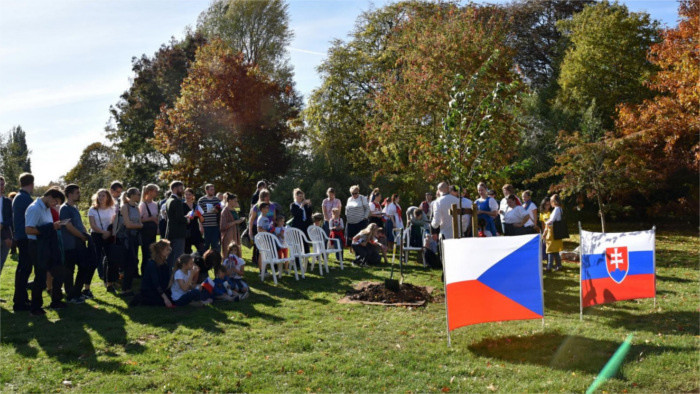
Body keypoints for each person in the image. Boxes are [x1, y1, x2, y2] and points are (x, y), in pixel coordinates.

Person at [25, 188, 67, 314]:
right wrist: (51, 227)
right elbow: (28, 230)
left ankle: (56, 301)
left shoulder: (47, 208)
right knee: (40, 276)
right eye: (55, 201)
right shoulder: (35, 208)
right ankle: (36, 307)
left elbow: (46, 226)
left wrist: (54, 226)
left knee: (58, 271)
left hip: (49, 244)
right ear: (49, 196)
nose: (55, 205)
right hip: (37, 245)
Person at [60, 184, 93, 304]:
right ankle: (70, 295)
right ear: (69, 194)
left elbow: (79, 224)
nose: (79, 194)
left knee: (84, 267)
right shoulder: (65, 208)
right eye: (77, 192)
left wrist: (84, 233)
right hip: (70, 244)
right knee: (69, 270)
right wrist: (81, 236)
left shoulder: (74, 208)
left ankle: (76, 292)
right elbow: (68, 226)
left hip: (79, 243)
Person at [12, 173, 34, 312]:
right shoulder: (24, 198)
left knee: (23, 269)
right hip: (25, 237)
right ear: (32, 184)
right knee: (24, 269)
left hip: (21, 236)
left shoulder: (19, 197)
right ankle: (19, 302)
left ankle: (22, 298)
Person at [88, 189, 117, 293]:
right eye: (99, 196)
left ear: (108, 197)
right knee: (94, 261)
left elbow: (114, 223)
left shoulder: (112, 208)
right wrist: (103, 232)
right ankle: (86, 287)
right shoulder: (92, 209)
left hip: (109, 236)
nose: (101, 198)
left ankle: (109, 284)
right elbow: (92, 225)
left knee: (111, 260)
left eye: (103, 196)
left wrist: (109, 233)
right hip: (96, 235)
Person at [132, 239, 173, 307]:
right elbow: (155, 283)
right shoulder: (152, 264)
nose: (169, 251)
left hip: (161, 289)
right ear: (160, 251)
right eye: (167, 249)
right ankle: (142, 298)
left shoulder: (165, 263)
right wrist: (165, 298)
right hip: (151, 290)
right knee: (163, 302)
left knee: (173, 298)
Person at [120, 187, 143, 296]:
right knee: (130, 262)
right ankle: (125, 288)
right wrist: (139, 225)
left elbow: (138, 222)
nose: (139, 196)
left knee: (134, 262)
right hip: (127, 238)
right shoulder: (125, 207)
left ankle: (127, 288)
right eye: (138, 194)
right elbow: (128, 224)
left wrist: (138, 225)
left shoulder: (137, 207)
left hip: (135, 237)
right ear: (132, 195)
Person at [248, 189, 279, 269]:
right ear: (262, 197)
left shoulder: (272, 206)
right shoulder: (257, 207)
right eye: (265, 197)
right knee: (261, 250)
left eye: (268, 196)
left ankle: (273, 265)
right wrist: (250, 231)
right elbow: (251, 220)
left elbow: (274, 218)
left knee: (273, 247)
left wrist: (275, 228)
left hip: (270, 229)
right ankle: (261, 269)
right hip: (259, 229)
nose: (268, 198)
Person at [165, 181, 188, 269]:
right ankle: (175, 278)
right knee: (178, 257)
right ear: (175, 189)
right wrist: (187, 219)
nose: (182, 191)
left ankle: (168, 277)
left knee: (170, 256)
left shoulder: (168, 200)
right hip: (178, 233)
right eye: (181, 188)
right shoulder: (177, 201)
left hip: (171, 232)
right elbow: (179, 218)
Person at [139, 184, 160, 275]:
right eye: (155, 191)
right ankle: (144, 272)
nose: (157, 193)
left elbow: (157, 217)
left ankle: (151, 271)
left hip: (152, 232)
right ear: (150, 192)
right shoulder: (143, 205)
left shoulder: (155, 204)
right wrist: (150, 219)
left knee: (152, 253)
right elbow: (139, 219)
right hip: (145, 233)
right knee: (146, 253)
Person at [198, 184, 221, 253]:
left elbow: (219, 212)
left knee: (215, 246)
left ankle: (215, 261)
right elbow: (199, 214)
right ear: (206, 190)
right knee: (205, 246)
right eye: (211, 189)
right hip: (205, 226)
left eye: (213, 189)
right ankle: (204, 261)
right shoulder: (201, 200)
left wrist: (216, 210)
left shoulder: (217, 200)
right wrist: (201, 226)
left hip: (215, 226)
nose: (213, 191)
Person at [544, 194, 564, 272]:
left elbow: (551, 220)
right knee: (555, 250)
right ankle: (559, 265)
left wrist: (546, 222)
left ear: (554, 202)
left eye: (551, 201)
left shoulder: (556, 209)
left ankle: (549, 266)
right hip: (556, 231)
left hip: (552, 231)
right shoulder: (560, 209)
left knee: (550, 249)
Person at [220, 193, 244, 257]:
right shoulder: (225, 211)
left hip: (235, 235)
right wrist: (236, 222)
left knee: (236, 254)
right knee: (228, 254)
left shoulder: (234, 210)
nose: (236, 202)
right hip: (228, 236)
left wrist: (240, 220)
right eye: (235, 201)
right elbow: (223, 226)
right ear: (230, 201)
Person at [184, 188, 204, 254]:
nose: (188, 196)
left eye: (189, 194)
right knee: (187, 252)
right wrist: (188, 216)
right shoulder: (181, 206)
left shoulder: (197, 206)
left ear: (193, 195)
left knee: (202, 250)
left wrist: (198, 214)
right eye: (186, 194)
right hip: (186, 232)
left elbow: (202, 220)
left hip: (195, 231)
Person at [0, 176, 12, 283]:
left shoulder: (8, 202)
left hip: (6, 236)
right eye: (0, 184)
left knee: (1, 264)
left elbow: (11, 218)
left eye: (3, 184)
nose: (1, 187)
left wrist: (2, 225)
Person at [538, 197, 552, 261]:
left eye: (549, 204)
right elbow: (542, 223)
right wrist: (544, 232)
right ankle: (545, 258)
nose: (547, 206)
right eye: (546, 204)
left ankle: (550, 260)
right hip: (545, 231)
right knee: (544, 246)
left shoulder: (551, 212)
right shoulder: (542, 213)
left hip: (551, 231)